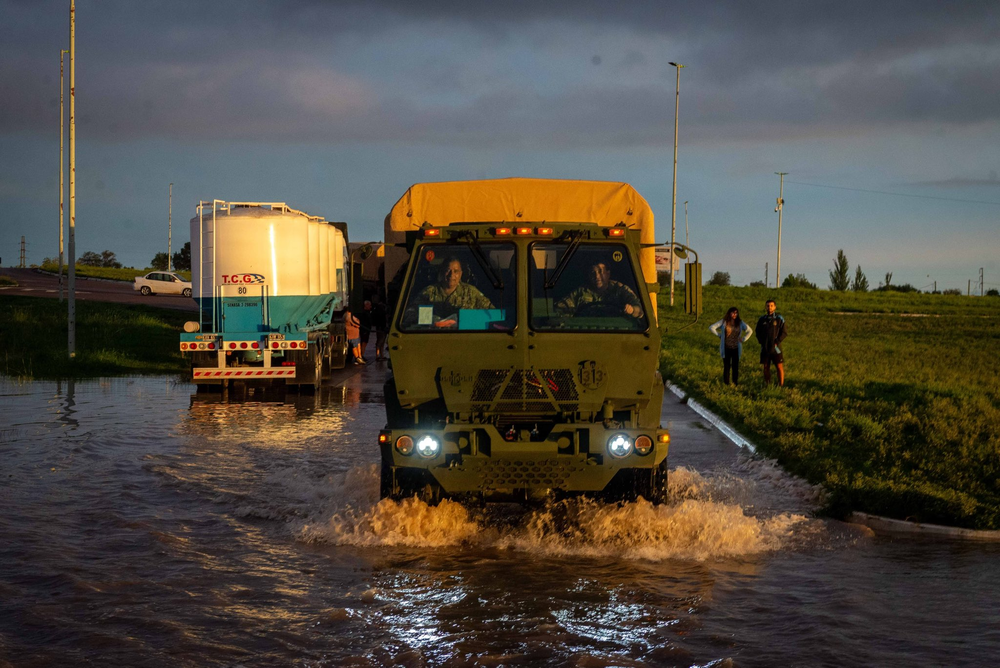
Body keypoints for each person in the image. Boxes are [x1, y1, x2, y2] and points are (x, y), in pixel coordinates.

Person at [413, 256, 493, 328]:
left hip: (465, 338)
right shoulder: (429, 292)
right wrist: (431, 320)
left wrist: (469, 319)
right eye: (448, 270)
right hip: (434, 338)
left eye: (456, 271)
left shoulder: (471, 292)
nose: (451, 275)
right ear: (442, 272)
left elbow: (492, 313)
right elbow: (410, 314)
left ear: (461, 274)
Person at [555, 261, 643, 319]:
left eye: (600, 272)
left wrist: (632, 310)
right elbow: (561, 309)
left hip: (617, 334)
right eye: (593, 272)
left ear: (608, 273)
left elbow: (640, 310)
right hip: (585, 334)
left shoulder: (620, 289)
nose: (597, 276)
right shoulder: (580, 292)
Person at [708, 307, 753, 385]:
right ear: (729, 313)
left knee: (735, 366)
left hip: (736, 347)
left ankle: (735, 382)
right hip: (726, 347)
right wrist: (719, 335)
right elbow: (712, 327)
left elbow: (750, 331)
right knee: (727, 366)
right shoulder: (724, 322)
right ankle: (726, 382)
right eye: (732, 313)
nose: (734, 315)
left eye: (736, 313)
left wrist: (744, 339)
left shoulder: (740, 323)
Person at [756, 299, 787, 386]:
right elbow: (757, 332)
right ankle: (768, 385)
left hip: (776, 347)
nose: (769, 307)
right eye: (768, 306)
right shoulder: (762, 319)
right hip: (765, 347)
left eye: (771, 305)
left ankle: (781, 385)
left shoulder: (779, 318)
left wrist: (777, 341)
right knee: (766, 367)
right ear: (765, 307)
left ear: (775, 307)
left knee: (779, 366)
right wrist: (761, 341)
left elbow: (784, 332)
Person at [371, 294, 388, 360]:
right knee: (381, 342)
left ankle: (379, 355)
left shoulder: (377, 309)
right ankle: (379, 355)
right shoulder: (382, 309)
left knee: (380, 342)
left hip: (379, 327)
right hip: (382, 328)